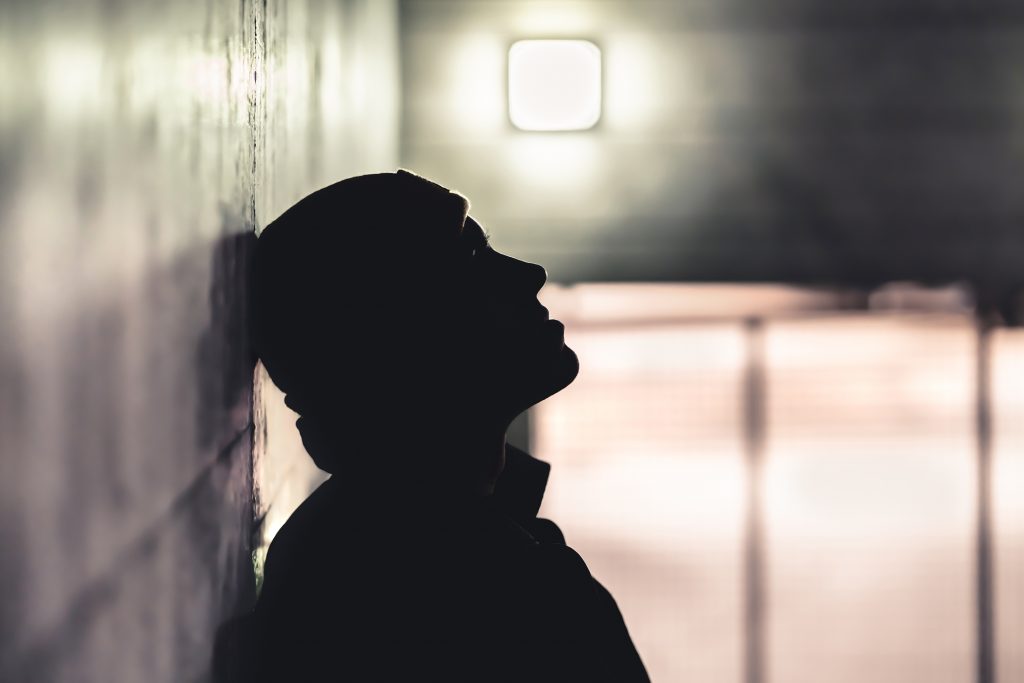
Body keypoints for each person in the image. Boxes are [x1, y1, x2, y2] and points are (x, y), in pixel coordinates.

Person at [214, 170, 649, 682]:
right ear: (400, 344)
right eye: (471, 259)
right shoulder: (444, 592)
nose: (529, 272)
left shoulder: (389, 543)